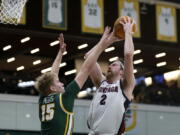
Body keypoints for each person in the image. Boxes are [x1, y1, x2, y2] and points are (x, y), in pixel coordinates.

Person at [35, 30, 120, 135]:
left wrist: (60, 53)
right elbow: (86, 68)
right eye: (58, 82)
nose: (62, 84)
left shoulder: (42, 99)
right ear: (52, 88)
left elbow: (53, 74)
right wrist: (103, 43)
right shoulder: (64, 97)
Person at [86, 17, 136, 135]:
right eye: (109, 64)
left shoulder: (126, 85)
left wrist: (128, 33)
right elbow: (89, 57)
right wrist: (108, 41)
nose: (109, 66)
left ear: (122, 72)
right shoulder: (101, 82)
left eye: (114, 65)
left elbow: (128, 54)